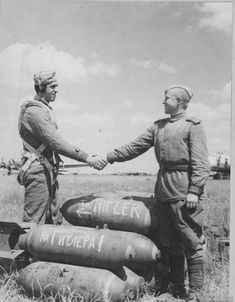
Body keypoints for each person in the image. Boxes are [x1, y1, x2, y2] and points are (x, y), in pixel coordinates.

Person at [105, 85, 210, 302]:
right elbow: (134, 147)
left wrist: (194, 190)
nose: (163, 102)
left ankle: (197, 292)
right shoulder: (158, 127)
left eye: (167, 98)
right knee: (169, 242)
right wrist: (109, 157)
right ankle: (177, 288)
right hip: (163, 191)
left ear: (180, 101)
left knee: (190, 240)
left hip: (184, 190)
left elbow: (201, 162)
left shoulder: (193, 126)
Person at [18, 71, 106, 225]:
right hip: (38, 172)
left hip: (47, 170)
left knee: (53, 219)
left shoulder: (43, 110)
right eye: (52, 86)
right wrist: (87, 158)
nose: (56, 90)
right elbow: (56, 143)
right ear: (41, 87)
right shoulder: (34, 112)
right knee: (32, 223)